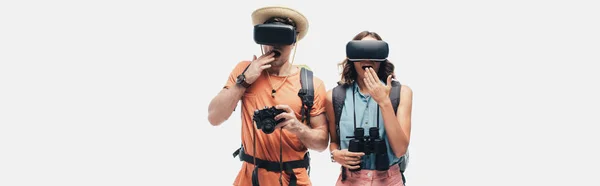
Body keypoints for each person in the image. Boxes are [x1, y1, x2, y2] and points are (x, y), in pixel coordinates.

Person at [207, 6, 329, 186]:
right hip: (250, 179)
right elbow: (214, 117)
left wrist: (298, 127)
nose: (275, 44)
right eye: (269, 36)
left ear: (294, 41)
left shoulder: (311, 84)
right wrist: (244, 81)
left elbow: (321, 144)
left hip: (294, 180)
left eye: (282, 37)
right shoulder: (244, 71)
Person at [325, 31, 413, 186]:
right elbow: (334, 141)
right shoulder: (335, 96)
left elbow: (400, 150)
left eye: (374, 51)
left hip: (388, 179)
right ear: (352, 57)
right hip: (350, 179)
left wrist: (384, 102)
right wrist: (335, 155)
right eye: (361, 51)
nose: (367, 57)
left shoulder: (402, 93)